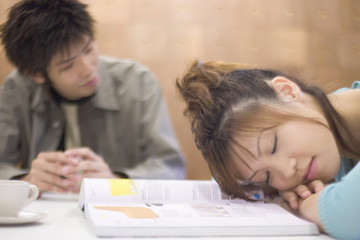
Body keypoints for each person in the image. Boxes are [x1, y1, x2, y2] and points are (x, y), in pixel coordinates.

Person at [0, 0, 185, 195]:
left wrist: (116, 182)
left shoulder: (138, 82)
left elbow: (171, 169)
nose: (88, 69)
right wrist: (25, 180)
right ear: (36, 74)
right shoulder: (17, 89)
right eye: (68, 66)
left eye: (88, 49)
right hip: (44, 217)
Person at [176, 60, 360, 240]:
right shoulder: (325, 138)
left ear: (287, 91)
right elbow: (225, 184)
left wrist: (299, 205)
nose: (288, 173)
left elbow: (348, 214)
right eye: (267, 176)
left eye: (273, 146)